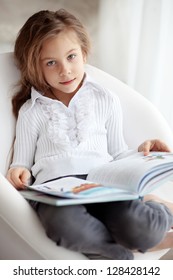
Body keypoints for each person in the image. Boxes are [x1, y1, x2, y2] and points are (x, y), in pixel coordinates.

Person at [6, 9, 173, 260]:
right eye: (51, 62)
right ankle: (119, 256)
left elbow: (118, 153)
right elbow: (22, 161)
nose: (65, 70)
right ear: (35, 67)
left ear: (84, 53)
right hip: (56, 193)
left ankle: (161, 211)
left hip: (104, 184)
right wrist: (19, 171)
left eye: (71, 56)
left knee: (139, 228)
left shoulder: (105, 98)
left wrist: (143, 151)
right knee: (65, 227)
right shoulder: (32, 111)